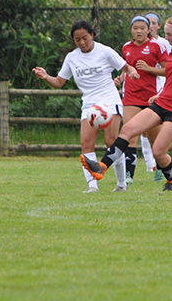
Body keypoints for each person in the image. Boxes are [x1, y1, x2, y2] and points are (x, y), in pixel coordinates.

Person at [81, 15, 172, 192]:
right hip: (163, 102)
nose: (167, 38)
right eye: (165, 33)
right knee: (128, 130)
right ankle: (101, 167)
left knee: (158, 151)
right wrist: (159, 95)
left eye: (169, 34)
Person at [33, 19, 139, 193]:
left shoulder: (105, 51)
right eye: (77, 40)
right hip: (90, 105)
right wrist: (46, 76)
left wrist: (132, 72)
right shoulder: (72, 58)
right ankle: (92, 186)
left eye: (85, 38)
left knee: (111, 142)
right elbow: (59, 82)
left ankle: (121, 184)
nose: (82, 42)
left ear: (92, 35)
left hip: (109, 100)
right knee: (86, 144)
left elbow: (125, 67)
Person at [112, 15, 167, 185]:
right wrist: (121, 77)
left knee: (154, 138)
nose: (139, 31)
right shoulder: (126, 47)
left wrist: (149, 69)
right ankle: (129, 174)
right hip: (131, 97)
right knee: (130, 134)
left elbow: (167, 70)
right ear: (131, 30)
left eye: (142, 28)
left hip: (151, 97)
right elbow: (126, 66)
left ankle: (159, 170)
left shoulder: (156, 46)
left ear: (148, 30)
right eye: (135, 28)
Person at [141, 13, 172, 182]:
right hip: (142, 88)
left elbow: (168, 66)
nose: (150, 26)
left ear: (158, 26)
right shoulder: (135, 44)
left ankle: (158, 166)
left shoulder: (164, 43)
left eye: (153, 23)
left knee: (154, 128)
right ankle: (149, 164)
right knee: (144, 130)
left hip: (160, 87)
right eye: (148, 23)